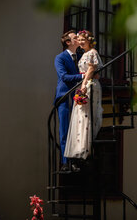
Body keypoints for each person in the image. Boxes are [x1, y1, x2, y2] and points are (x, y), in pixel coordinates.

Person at [64, 30, 103, 160]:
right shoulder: (84, 54)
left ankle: (86, 146)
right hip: (85, 84)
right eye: (79, 40)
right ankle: (80, 146)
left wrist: (84, 86)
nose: (80, 42)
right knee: (81, 113)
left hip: (90, 85)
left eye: (83, 40)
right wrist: (82, 87)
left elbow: (91, 69)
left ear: (89, 41)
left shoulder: (93, 52)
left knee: (87, 114)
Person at [54, 30, 84, 172]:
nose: (78, 39)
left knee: (77, 131)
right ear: (68, 42)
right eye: (75, 38)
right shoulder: (60, 58)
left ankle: (74, 161)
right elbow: (64, 77)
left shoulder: (80, 56)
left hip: (77, 96)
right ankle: (65, 162)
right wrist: (82, 76)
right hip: (64, 97)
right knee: (65, 130)